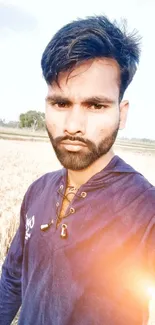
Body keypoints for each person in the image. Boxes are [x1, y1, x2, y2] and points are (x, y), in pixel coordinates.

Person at [0, 15, 155, 325]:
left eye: (95, 105)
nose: (72, 126)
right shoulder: (38, 191)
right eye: (60, 103)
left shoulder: (146, 213)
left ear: (121, 113)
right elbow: (13, 279)